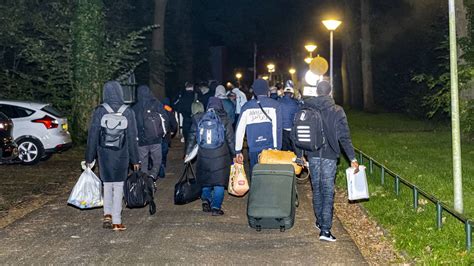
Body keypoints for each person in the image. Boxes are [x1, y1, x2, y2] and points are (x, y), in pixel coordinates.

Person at [293, 80, 359, 242]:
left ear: (317, 91)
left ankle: (319, 221)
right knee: (328, 191)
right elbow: (344, 137)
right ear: (330, 92)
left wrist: (300, 155)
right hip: (330, 155)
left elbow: (297, 133)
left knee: (317, 189)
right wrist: (352, 158)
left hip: (312, 154)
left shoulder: (306, 108)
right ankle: (325, 230)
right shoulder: (337, 110)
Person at [85, 81, 139, 231]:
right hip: (122, 154)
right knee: (119, 186)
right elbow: (132, 138)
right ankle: (117, 220)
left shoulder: (100, 111)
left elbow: (93, 135)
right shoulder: (128, 111)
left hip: (104, 154)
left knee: (107, 184)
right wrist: (135, 159)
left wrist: (89, 157)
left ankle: (107, 214)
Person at [185, 97, 235, 216]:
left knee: (205, 179)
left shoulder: (199, 118)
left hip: (204, 153)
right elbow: (230, 139)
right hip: (221, 155)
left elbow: (192, 137)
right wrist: (235, 154)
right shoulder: (225, 119)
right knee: (219, 182)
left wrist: (187, 153)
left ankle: (206, 200)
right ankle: (216, 207)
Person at [234, 78, 282, 171]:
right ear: (267, 90)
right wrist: (277, 148)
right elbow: (277, 128)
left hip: (253, 148)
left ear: (254, 91)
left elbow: (240, 130)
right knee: (270, 176)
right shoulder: (275, 105)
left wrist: (238, 150)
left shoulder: (246, 107)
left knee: (256, 176)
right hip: (270, 148)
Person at [132, 85, 169, 180]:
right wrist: (163, 133)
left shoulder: (135, 108)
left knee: (143, 162)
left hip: (141, 140)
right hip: (156, 139)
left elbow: (132, 125)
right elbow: (165, 119)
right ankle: (152, 176)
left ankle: (144, 181)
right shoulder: (157, 104)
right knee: (157, 161)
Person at [158, 97, 178, 178]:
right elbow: (173, 122)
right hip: (166, 134)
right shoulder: (169, 110)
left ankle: (158, 165)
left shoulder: (157, 109)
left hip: (157, 134)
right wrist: (173, 130)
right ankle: (163, 164)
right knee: (164, 150)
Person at [278, 82, 300, 151]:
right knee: (293, 149)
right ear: (292, 95)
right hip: (292, 129)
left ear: (284, 93)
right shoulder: (296, 103)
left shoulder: (278, 102)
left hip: (282, 129)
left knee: (284, 148)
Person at [173, 82, 195, 148]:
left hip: (186, 120)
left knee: (187, 139)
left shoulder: (182, 98)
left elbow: (177, 107)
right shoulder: (196, 96)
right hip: (195, 120)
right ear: (192, 88)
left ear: (186, 88)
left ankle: (187, 153)